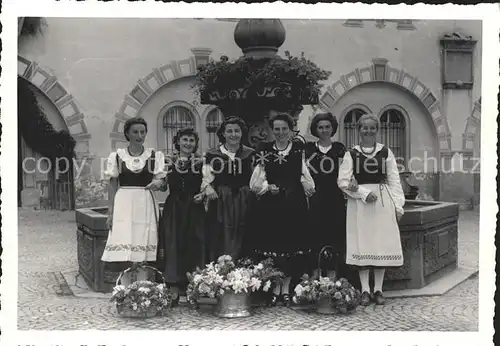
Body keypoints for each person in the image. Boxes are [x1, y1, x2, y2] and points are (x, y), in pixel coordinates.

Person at [337, 113, 405, 306]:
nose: (368, 131)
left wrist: (398, 206)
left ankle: (378, 290)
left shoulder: (386, 152)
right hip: (360, 204)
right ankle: (365, 290)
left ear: (377, 130)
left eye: (372, 127)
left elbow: (394, 180)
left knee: (380, 243)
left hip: (382, 202)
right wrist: (363, 193)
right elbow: (342, 181)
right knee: (363, 243)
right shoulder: (352, 154)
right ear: (359, 130)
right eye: (364, 127)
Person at [249, 113, 315, 307]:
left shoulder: (298, 151)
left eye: (284, 129)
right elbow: (255, 182)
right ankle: (274, 289)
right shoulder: (265, 151)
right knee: (273, 247)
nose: (280, 133)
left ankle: (286, 289)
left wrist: (303, 183)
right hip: (271, 206)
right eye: (276, 129)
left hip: (294, 205)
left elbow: (305, 176)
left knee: (291, 247)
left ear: (291, 129)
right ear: (271, 130)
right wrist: (267, 187)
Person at [102, 117, 165, 286]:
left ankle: (144, 286)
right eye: (135, 132)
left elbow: (162, 182)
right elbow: (113, 185)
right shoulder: (117, 156)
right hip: (124, 202)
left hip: (145, 201)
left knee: (144, 240)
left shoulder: (154, 155)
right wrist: (111, 212)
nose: (139, 135)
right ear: (127, 134)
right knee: (126, 241)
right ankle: (126, 287)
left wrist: (158, 183)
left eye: (142, 132)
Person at [157, 128, 206, 305]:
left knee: (194, 245)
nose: (188, 143)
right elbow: (162, 184)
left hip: (194, 208)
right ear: (178, 142)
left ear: (195, 143)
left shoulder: (201, 162)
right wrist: (159, 182)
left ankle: (194, 290)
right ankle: (174, 290)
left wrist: (203, 194)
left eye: (191, 140)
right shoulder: (169, 161)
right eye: (184, 139)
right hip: (175, 208)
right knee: (173, 245)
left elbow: (207, 184)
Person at [202, 116, 256, 261]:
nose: (233, 134)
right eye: (229, 131)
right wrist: (208, 187)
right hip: (221, 199)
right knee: (221, 232)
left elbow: (257, 177)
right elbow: (206, 177)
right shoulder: (213, 154)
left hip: (244, 198)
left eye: (237, 131)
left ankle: (244, 272)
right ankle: (221, 271)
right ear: (223, 134)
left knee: (243, 231)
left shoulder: (250, 153)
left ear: (242, 133)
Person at [304, 112, 348, 279]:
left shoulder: (339, 149)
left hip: (335, 198)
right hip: (315, 198)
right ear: (315, 129)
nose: (324, 130)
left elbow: (346, 173)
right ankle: (314, 277)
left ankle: (333, 277)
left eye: (327, 127)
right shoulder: (308, 149)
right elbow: (303, 173)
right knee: (315, 236)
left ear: (332, 128)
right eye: (320, 127)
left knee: (335, 235)